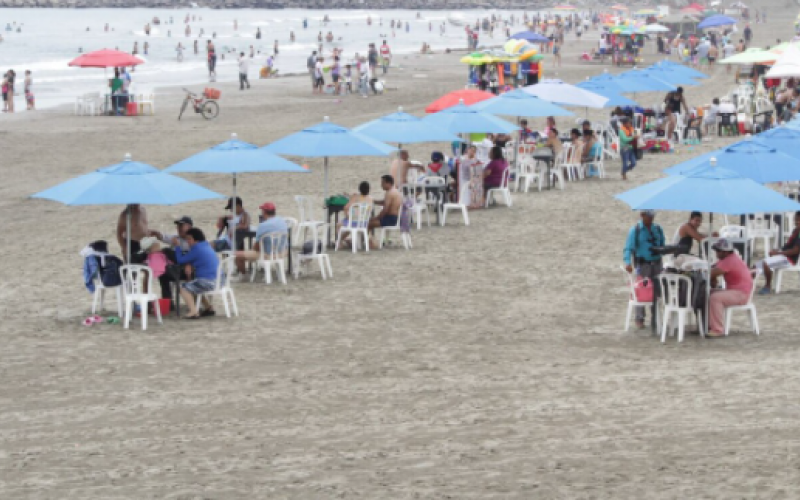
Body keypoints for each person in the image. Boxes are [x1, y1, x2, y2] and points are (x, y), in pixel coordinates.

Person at [623, 210, 666, 329]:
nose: (651, 218)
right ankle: (639, 318)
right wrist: (627, 262)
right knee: (641, 290)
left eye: (652, 216)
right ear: (642, 216)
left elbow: (663, 243)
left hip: (657, 263)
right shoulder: (635, 230)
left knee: (656, 290)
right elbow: (628, 248)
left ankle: (655, 317)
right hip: (643, 265)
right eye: (649, 216)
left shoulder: (657, 228)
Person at [708, 238, 754, 337]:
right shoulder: (728, 259)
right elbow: (713, 270)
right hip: (736, 291)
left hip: (741, 294)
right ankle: (709, 324)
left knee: (715, 298)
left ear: (725, 251)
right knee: (708, 293)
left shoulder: (729, 261)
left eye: (718, 251)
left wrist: (711, 276)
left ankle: (717, 329)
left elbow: (711, 272)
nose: (716, 253)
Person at [174, 228, 220, 319]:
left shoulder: (197, 248)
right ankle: (208, 307)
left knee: (184, 288)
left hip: (209, 282)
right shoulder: (206, 245)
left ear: (196, 239)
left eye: (189, 239)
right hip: (219, 280)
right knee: (195, 285)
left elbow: (180, 260)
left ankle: (193, 311)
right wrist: (190, 264)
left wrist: (177, 246)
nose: (187, 242)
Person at [234, 202, 288, 277]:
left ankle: (244, 276)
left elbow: (257, 247)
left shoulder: (262, 226)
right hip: (282, 252)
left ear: (264, 212)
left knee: (237, 256)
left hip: (268, 254)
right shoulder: (282, 221)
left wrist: (252, 250)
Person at [757, 212, 800, 294]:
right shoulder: (796, 230)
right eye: (796, 220)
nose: (797, 222)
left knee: (766, 263)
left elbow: (795, 251)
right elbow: (788, 247)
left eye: (799, 220)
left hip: (790, 259)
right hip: (785, 256)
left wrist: (779, 253)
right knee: (756, 266)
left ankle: (767, 286)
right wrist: (777, 251)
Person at [137, 236, 176, 302]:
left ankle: (166, 302)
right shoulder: (163, 252)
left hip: (167, 273)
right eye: (157, 243)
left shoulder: (146, 256)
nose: (159, 244)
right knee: (162, 278)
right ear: (153, 246)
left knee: (159, 279)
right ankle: (167, 302)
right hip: (169, 272)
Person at [367, 175, 402, 247]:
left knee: (367, 224)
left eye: (383, 183)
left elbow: (385, 210)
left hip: (390, 219)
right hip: (393, 218)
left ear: (388, 183)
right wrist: (374, 201)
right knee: (369, 222)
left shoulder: (389, 193)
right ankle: (368, 241)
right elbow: (384, 202)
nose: (381, 185)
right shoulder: (394, 191)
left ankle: (366, 242)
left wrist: (377, 218)